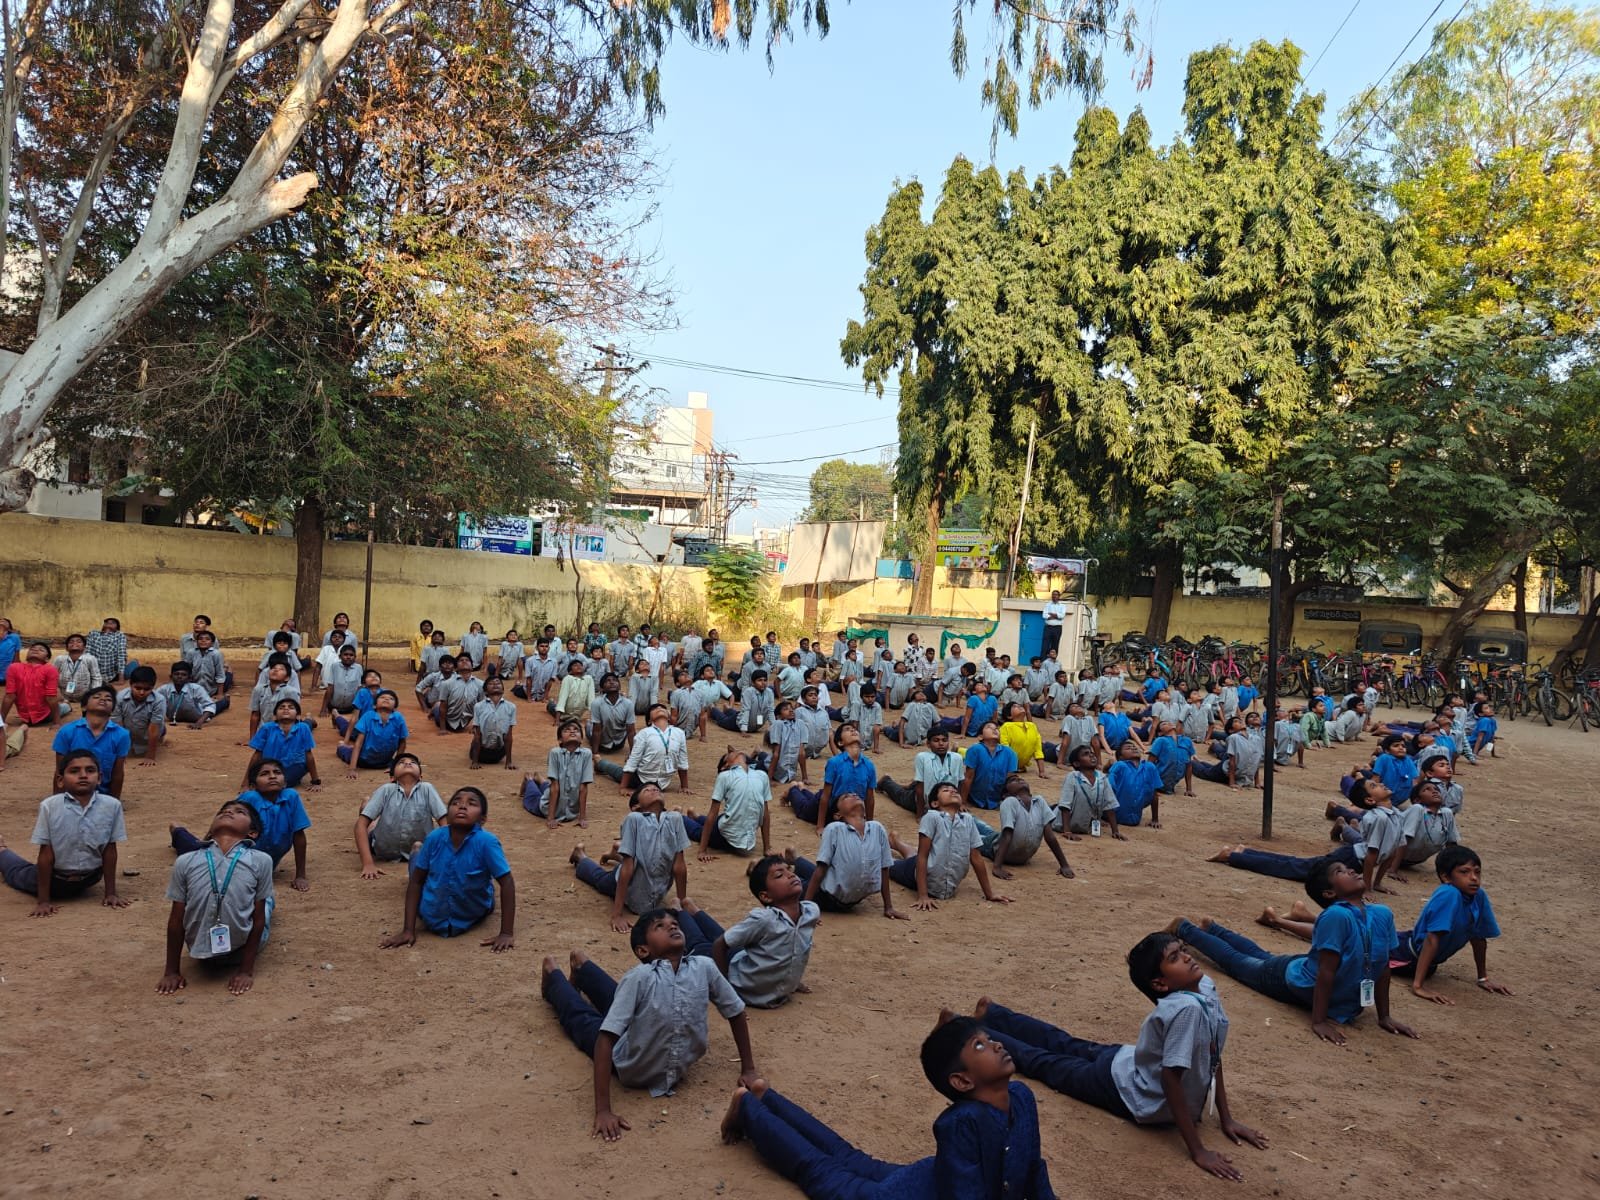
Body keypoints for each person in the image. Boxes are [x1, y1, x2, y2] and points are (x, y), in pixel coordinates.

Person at [974, 931, 1268, 1181]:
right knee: (1048, 1062)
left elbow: (1213, 1054)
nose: (1188, 957)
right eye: (1175, 958)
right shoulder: (1187, 1010)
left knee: (1062, 1042)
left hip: (1125, 1061)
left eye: (1183, 951)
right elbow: (1170, 1078)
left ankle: (994, 1013)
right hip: (1124, 1088)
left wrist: (1226, 1118)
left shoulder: (1205, 988)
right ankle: (975, 1030)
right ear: (1160, 984)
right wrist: (1198, 1150)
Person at [721, 1017, 1055, 1200]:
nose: (996, 1044)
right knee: (819, 1170)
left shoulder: (1022, 1097)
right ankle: (749, 1106)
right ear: (962, 1081)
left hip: (924, 1180)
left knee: (849, 1158)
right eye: (980, 1045)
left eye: (989, 1039)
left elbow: (1032, 1166)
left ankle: (769, 1099)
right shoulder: (960, 1123)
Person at [540, 910, 758, 1141]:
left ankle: (583, 967)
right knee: (581, 1017)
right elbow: (605, 1040)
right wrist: (603, 1110)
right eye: (660, 927)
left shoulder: (704, 967)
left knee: (623, 1001)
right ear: (643, 950)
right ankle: (553, 974)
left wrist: (749, 1069)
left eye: (674, 923)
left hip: (644, 1024)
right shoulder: (639, 977)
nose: (672, 927)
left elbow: (735, 1011)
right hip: (623, 1056)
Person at [1173, 856, 1419, 1046]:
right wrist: (1319, 1021)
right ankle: (1185, 928)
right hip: (1289, 979)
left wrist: (1384, 1016)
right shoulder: (1336, 915)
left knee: (1261, 957)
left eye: (1348, 868)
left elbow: (1383, 967)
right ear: (1329, 893)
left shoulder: (1382, 914)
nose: (1352, 870)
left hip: (1301, 966)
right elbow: (1326, 971)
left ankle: (1213, 927)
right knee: (1238, 962)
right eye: (1340, 871)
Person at [158, 799, 275, 996]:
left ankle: (271, 899)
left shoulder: (261, 860)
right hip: (202, 951)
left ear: (252, 833)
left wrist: (245, 971)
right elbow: (176, 919)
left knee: (266, 904)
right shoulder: (185, 861)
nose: (229, 812)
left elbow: (258, 919)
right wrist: (171, 971)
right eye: (224, 811)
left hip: (242, 948)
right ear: (211, 829)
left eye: (239, 812)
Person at [378, 785, 515, 951]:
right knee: (419, 869)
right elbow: (416, 882)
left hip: (473, 911)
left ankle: (417, 851)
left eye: (471, 803)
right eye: (456, 802)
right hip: (431, 911)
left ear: (483, 819)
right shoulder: (435, 837)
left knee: (485, 891)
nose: (462, 806)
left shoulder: (487, 842)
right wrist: (408, 930)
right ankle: (416, 851)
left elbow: (507, 882)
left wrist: (506, 933)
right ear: (446, 814)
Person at [1, 750, 129, 915]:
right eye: (74, 771)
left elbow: (110, 850)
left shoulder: (112, 806)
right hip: (55, 879)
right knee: (17, 872)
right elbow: (46, 855)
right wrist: (44, 901)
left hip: (90, 877)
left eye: (90, 770)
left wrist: (111, 893)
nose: (83, 775)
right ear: (60, 780)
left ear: (99, 778)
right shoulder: (49, 806)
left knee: (72, 886)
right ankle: (2, 850)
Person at [172, 758, 310, 891]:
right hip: (226, 855)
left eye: (277, 773)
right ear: (252, 786)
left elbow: (299, 835)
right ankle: (177, 830)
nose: (272, 777)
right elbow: (222, 824)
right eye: (264, 774)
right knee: (192, 850)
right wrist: (205, 849)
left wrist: (300, 876)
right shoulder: (250, 798)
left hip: (261, 863)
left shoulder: (291, 797)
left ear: (285, 782)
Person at [1393, 845, 1510, 1003]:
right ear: (1446, 877)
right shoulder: (1449, 893)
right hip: (1404, 955)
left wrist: (1483, 978)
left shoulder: (1478, 896)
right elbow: (1432, 938)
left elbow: (1478, 937)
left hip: (1427, 964)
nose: (1474, 877)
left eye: (1477, 871)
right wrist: (1418, 986)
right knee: (1361, 947)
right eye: (1464, 872)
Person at [571, 782, 690, 931]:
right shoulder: (634, 819)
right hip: (627, 879)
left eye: (657, 789)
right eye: (647, 790)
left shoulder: (675, 819)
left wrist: (682, 905)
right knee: (600, 880)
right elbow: (628, 868)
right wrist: (617, 914)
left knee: (638, 858)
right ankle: (581, 856)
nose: (654, 790)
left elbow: (679, 865)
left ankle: (618, 852)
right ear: (636, 806)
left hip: (652, 882)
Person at [712, 855, 821, 1008]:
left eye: (789, 870)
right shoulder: (764, 920)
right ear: (766, 896)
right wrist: (726, 991)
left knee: (735, 937)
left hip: (749, 956)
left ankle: (692, 911)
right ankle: (687, 912)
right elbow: (719, 945)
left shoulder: (811, 912)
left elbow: (797, 949)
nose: (791, 875)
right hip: (739, 977)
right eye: (779, 875)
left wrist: (792, 980)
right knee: (700, 944)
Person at [888, 782, 1012, 909]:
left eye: (955, 790)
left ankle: (896, 841)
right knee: (888, 866)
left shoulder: (968, 820)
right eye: (946, 790)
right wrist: (923, 895)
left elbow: (976, 857)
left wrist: (989, 894)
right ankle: (893, 844)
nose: (953, 791)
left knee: (915, 856)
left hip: (934, 867)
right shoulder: (932, 817)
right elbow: (922, 856)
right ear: (935, 803)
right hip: (916, 871)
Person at [791, 794, 905, 918]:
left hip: (847, 895)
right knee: (790, 888)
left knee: (819, 874)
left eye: (855, 794)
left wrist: (888, 907)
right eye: (846, 797)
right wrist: (808, 907)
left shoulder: (877, 829)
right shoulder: (834, 829)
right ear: (838, 815)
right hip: (826, 895)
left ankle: (795, 859)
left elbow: (884, 868)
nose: (854, 795)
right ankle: (793, 860)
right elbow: (820, 869)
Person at [354, 753, 447, 878]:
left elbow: (445, 824)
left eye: (413, 762)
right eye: (401, 762)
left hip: (419, 849)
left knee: (376, 817)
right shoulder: (386, 789)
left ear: (420, 776)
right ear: (392, 777)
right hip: (380, 848)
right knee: (370, 825)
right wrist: (368, 863)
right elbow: (360, 825)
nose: (408, 763)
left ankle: (369, 807)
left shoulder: (427, 789)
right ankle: (367, 806)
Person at [975, 773, 1075, 880]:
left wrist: (1064, 865)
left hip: (1015, 853)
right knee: (974, 837)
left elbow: (1050, 837)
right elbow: (1007, 835)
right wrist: (997, 867)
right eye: (1013, 780)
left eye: (1020, 778)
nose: (1019, 780)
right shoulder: (1010, 801)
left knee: (987, 830)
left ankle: (966, 818)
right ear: (1006, 794)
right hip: (995, 848)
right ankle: (963, 816)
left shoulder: (1039, 801)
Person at [787, 724, 876, 831]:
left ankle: (802, 788)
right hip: (829, 807)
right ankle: (793, 788)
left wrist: (870, 826)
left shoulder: (869, 765)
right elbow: (826, 796)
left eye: (854, 729)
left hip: (848, 809)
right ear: (840, 742)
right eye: (847, 730)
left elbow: (870, 799)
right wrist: (820, 826)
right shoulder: (835, 763)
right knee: (803, 809)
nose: (853, 730)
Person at [687, 749, 771, 860]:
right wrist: (702, 850)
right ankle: (679, 816)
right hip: (726, 834)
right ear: (726, 766)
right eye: (731, 754)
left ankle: (696, 816)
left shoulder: (761, 775)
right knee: (698, 832)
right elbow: (713, 813)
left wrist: (767, 848)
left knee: (722, 818)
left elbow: (765, 813)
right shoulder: (725, 776)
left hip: (730, 820)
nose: (736, 751)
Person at [52, 685, 129, 798]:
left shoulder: (122, 735)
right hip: (72, 794)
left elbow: (117, 774)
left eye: (108, 699)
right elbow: (60, 770)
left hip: (103, 795)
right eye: (97, 697)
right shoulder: (67, 731)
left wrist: (114, 802)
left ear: (112, 710)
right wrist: (57, 801)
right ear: (84, 707)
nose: (103, 699)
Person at [524, 718, 593, 828]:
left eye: (576, 729)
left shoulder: (587, 754)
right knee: (533, 796)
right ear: (560, 740)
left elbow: (583, 787)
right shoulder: (555, 753)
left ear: (581, 740)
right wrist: (551, 818)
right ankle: (529, 779)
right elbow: (555, 787)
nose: (572, 731)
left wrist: (582, 817)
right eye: (567, 730)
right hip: (548, 806)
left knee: (550, 786)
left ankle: (540, 779)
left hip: (570, 811)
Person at [878, 727, 963, 817]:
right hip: (922, 797)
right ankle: (886, 781)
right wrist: (920, 813)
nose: (941, 744)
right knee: (901, 796)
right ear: (928, 744)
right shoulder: (922, 757)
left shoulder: (957, 758)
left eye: (944, 740)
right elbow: (920, 788)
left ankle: (909, 786)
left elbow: (961, 782)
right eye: (936, 740)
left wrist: (961, 803)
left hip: (934, 787)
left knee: (919, 782)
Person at [245, 696, 320, 790]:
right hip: (271, 768)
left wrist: (315, 781)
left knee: (305, 726)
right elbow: (257, 755)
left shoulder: (302, 728)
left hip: (295, 769)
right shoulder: (267, 728)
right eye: (281, 707)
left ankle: (309, 719)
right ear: (275, 716)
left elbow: (309, 756)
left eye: (291, 707)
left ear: (298, 715)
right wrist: (246, 783)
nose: (286, 709)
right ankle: (309, 719)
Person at [1056, 745, 1121, 840]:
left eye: (1092, 753)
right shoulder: (1072, 777)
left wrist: (1115, 831)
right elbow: (1065, 805)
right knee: (1055, 809)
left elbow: (1109, 805)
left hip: (1088, 827)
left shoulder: (1102, 778)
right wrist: (1067, 831)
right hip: (1068, 824)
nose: (1091, 755)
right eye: (1085, 754)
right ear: (1077, 763)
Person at [340, 688, 409, 774]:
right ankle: (341, 745)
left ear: (395, 707)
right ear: (374, 706)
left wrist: (395, 766)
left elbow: (402, 742)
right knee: (343, 750)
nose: (386, 699)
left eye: (391, 699)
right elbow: (358, 743)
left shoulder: (398, 718)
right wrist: (352, 769)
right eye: (382, 697)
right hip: (362, 760)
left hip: (385, 762)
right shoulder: (368, 716)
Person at [112, 665, 165, 764]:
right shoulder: (119, 698)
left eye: (147, 689)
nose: (141, 692)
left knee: (158, 727)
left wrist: (151, 756)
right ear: (130, 684)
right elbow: (118, 726)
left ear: (153, 687)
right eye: (138, 688)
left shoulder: (159, 700)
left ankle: (161, 736)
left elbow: (154, 729)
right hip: (127, 733)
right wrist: (120, 753)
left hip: (148, 733)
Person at [961, 720, 1019, 810]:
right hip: (973, 798)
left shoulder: (1010, 753)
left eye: (996, 728)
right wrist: (962, 803)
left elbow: (1010, 779)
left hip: (997, 799)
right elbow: (968, 777)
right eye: (989, 727)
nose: (994, 729)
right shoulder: (975, 749)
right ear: (980, 736)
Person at [3, 640, 58, 733]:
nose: (36, 650)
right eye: (33, 649)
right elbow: (10, 696)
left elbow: (51, 697)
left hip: (46, 714)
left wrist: (57, 723)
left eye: (41, 650)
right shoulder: (14, 667)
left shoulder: (50, 669)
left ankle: (66, 705)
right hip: (25, 716)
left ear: (47, 659)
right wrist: (1, 721)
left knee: (62, 707)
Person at [1107, 738, 1163, 829]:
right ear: (1120, 757)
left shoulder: (1149, 767)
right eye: (1128, 748)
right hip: (1114, 815)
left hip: (1135, 818)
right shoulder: (1120, 765)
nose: (1133, 748)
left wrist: (1155, 819)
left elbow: (1154, 795)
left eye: (1134, 747)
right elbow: (1108, 790)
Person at [467, 677, 518, 770]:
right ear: (485, 692)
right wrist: (475, 761)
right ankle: (475, 757)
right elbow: (477, 735)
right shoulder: (478, 706)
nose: (495, 684)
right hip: (482, 752)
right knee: (476, 737)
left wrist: (509, 761)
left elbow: (508, 736)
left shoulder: (511, 707)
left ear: (503, 689)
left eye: (498, 683)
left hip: (499, 754)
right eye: (491, 683)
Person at [154, 660, 218, 729]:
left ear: (189, 678)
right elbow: (153, 700)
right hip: (175, 718)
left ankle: (225, 701)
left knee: (217, 706)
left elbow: (210, 705)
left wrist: (199, 723)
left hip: (197, 717)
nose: (179, 677)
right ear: (171, 676)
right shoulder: (164, 689)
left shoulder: (196, 688)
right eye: (176, 674)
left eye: (184, 675)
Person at [52, 633, 103, 715]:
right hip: (63, 696)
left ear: (84, 647)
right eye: (71, 642)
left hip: (84, 696)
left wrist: (93, 695)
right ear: (66, 648)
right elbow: (52, 677)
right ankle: (66, 706)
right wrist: (58, 695)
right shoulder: (60, 659)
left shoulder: (90, 659)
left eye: (79, 641)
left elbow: (96, 677)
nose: (74, 643)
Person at [998, 702, 1049, 779]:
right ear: (1009, 716)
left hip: (1020, 766)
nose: (1019, 707)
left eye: (1020, 705)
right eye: (1015, 706)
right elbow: (1005, 750)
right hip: (1006, 767)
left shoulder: (1032, 726)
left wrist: (1042, 771)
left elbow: (1038, 751)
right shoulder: (1006, 727)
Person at [434, 653, 483, 732]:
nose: (464, 661)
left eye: (467, 660)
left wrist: (477, 727)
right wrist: (442, 729)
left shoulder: (480, 684)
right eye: (461, 660)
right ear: (456, 668)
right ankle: (434, 710)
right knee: (438, 708)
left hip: (464, 722)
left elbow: (482, 707)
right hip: (447, 720)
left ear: (472, 666)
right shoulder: (447, 684)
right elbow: (443, 707)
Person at [1147, 720, 1195, 796]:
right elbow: (1149, 764)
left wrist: (1189, 789)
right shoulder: (1160, 740)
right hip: (1157, 783)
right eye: (1164, 724)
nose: (1168, 723)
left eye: (1168, 722)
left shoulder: (1187, 741)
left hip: (1171, 785)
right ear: (1160, 733)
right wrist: (1150, 788)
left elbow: (1188, 766)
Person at [318, 641, 363, 719]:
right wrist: (323, 709)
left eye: (351, 655)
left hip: (350, 708)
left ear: (355, 657)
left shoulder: (358, 668)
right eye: (345, 655)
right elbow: (330, 688)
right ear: (340, 656)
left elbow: (359, 689)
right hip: (333, 707)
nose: (348, 657)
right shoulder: (334, 666)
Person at [1041, 590, 1068, 658]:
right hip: (1048, 628)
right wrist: (1057, 616)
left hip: (1057, 628)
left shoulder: (1062, 606)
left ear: (1059, 596)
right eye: (1053, 595)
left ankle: (1053, 660)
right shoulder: (1048, 605)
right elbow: (1044, 616)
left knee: (1055, 645)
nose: (1054, 596)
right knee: (1045, 645)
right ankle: (1043, 661)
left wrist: (1051, 615)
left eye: (1056, 595)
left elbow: (1062, 616)